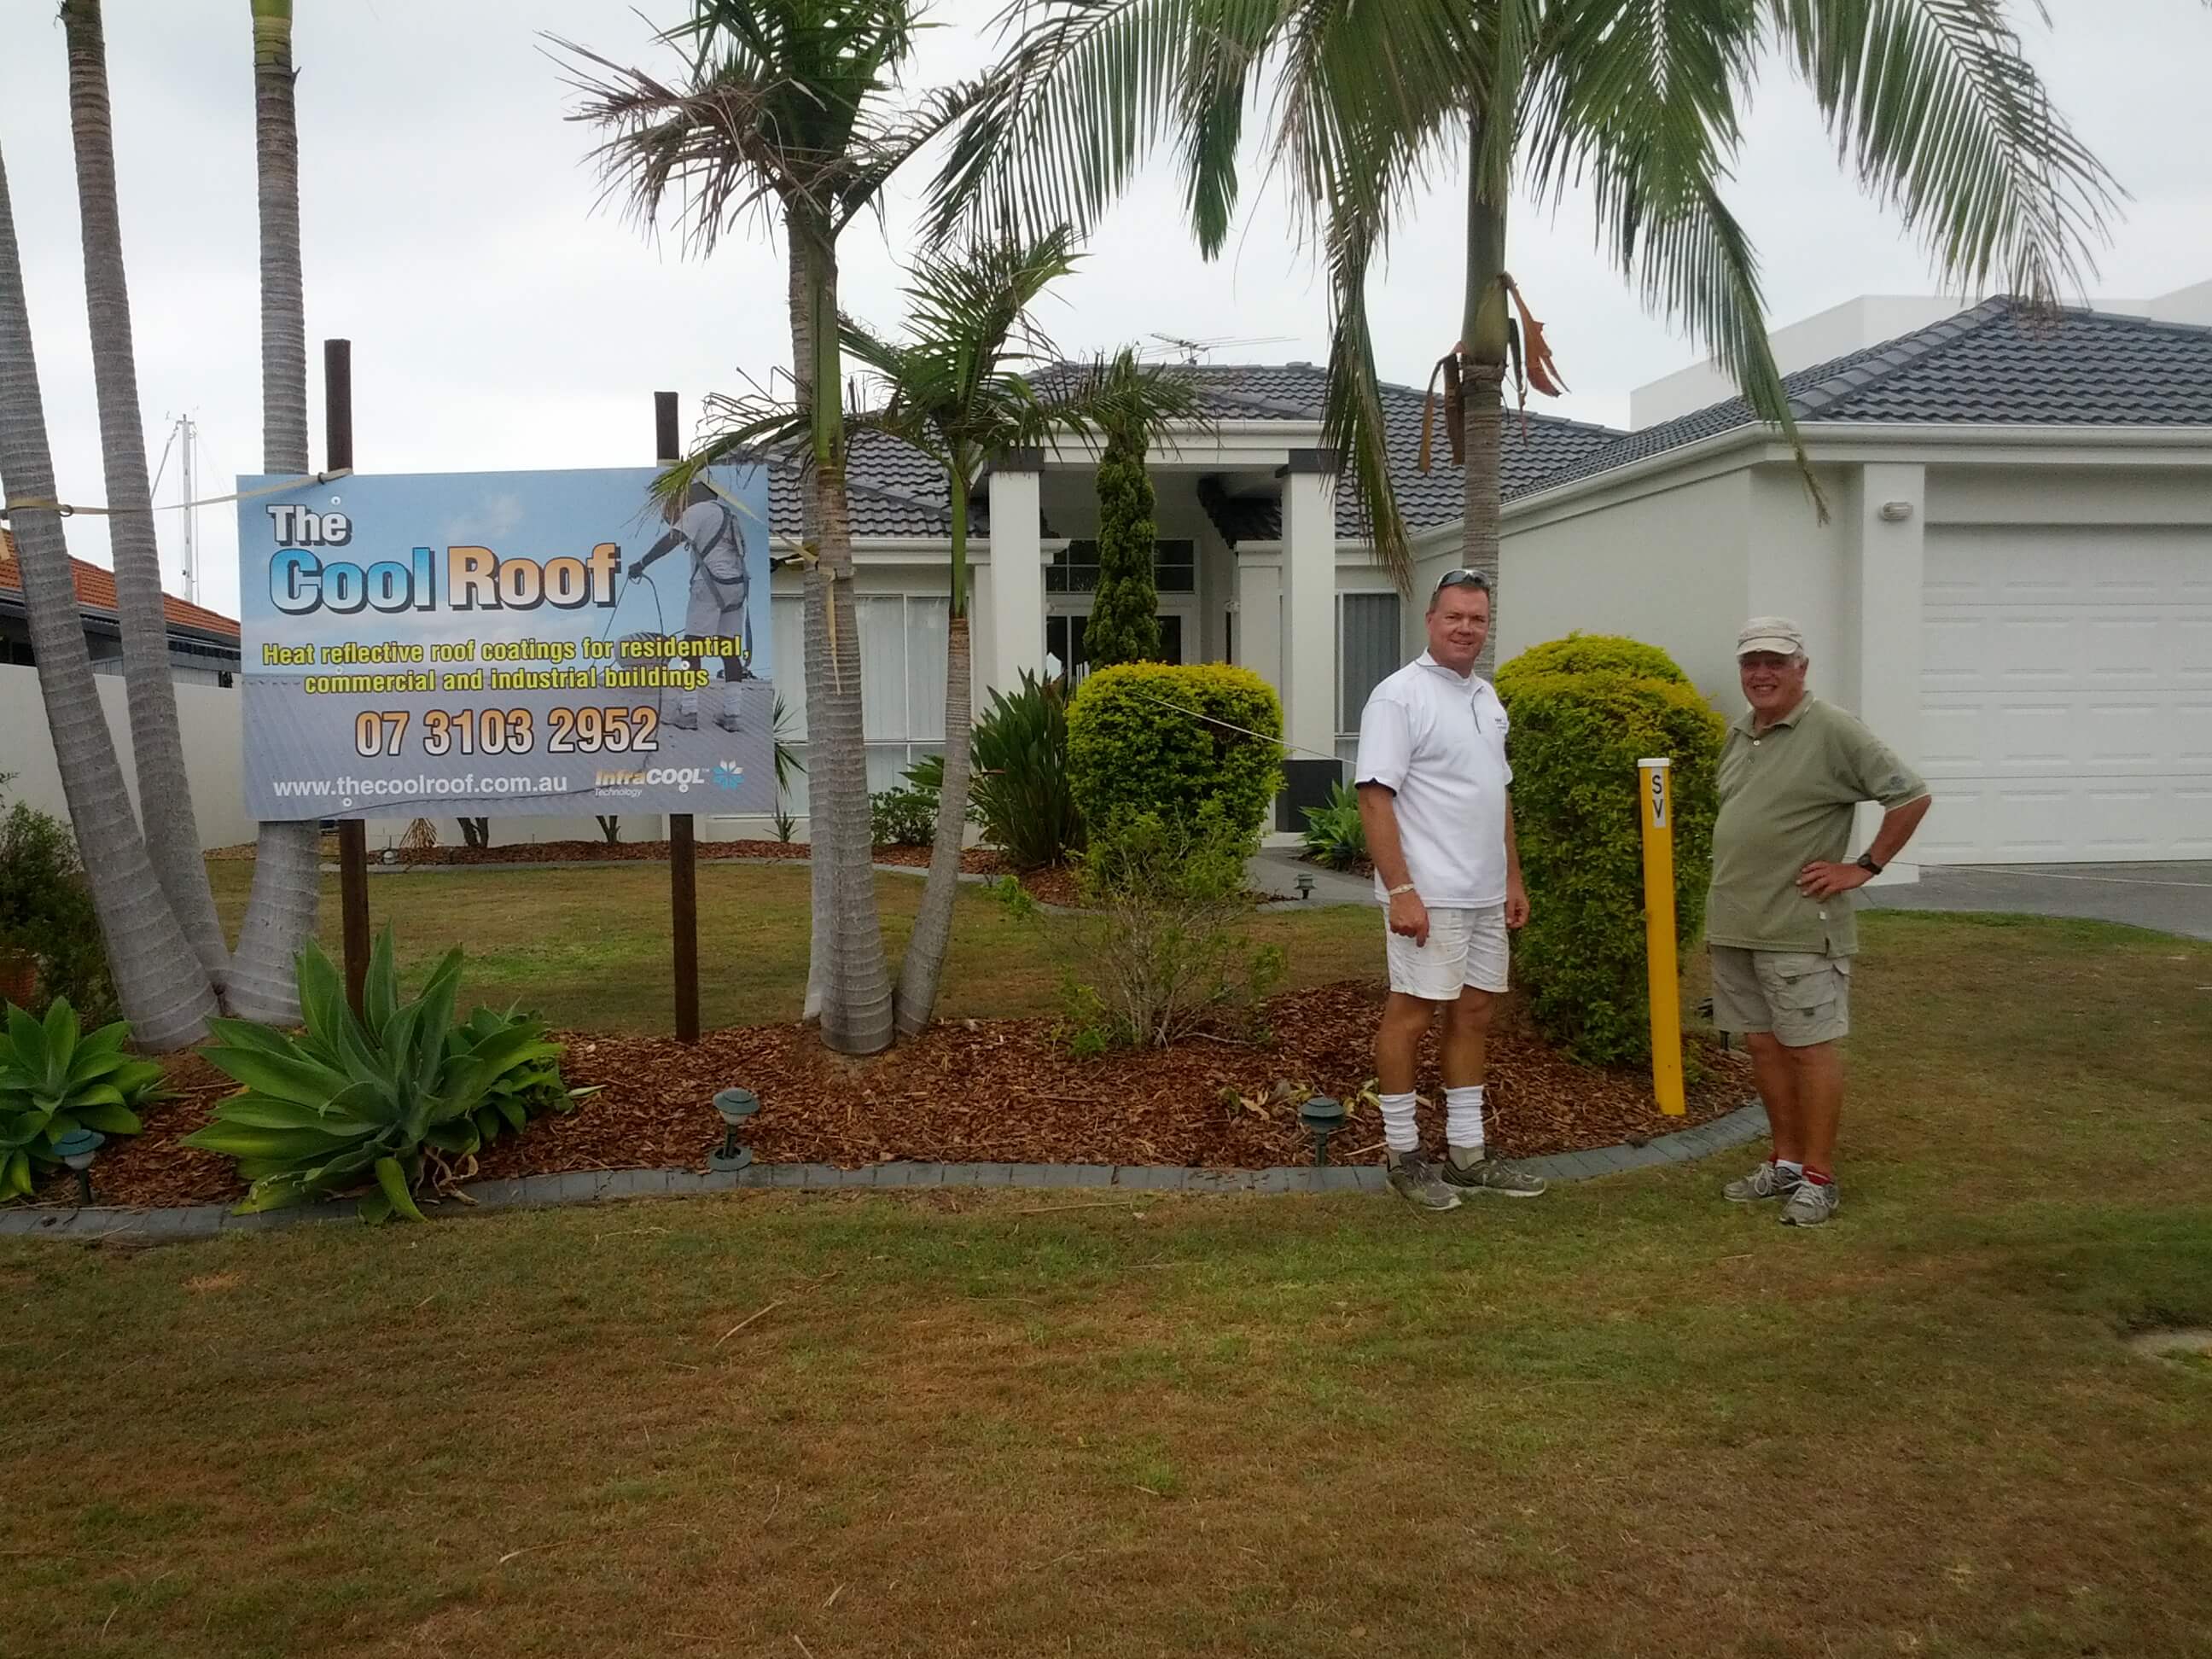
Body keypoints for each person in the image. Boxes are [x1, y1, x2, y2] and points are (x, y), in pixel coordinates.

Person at [1709, 617, 1932, 1226]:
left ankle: (1819, 1176)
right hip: (1735, 925)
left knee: (1810, 1051)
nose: (1762, 673)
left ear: (1801, 668)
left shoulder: (1830, 728)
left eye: (1776, 662)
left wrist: (1863, 866)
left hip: (1800, 927)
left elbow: (1909, 795)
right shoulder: (1740, 733)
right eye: (1751, 662)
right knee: (1762, 1046)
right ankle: (1784, 1163)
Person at [1353, 568, 1548, 1212]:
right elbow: (1375, 798)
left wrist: (1512, 877)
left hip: (1484, 894)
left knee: (1474, 1016)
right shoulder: (1398, 696)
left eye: (1478, 619)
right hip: (1427, 896)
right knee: (1410, 1015)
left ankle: (1468, 1155)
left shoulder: (1488, 700)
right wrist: (1401, 889)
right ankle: (1403, 1155)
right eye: (1455, 617)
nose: (1466, 628)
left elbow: (1498, 796)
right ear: (1430, 621)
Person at [629, 480, 754, 731]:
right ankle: (732, 715)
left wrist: (641, 563)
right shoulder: (730, 515)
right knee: (729, 650)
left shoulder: (698, 511)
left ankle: (688, 711)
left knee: (691, 649)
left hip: (709, 585)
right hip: (737, 586)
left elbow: (672, 539)